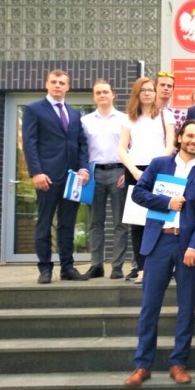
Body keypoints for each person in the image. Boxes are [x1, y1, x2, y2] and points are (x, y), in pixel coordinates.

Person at [123, 119, 195, 387]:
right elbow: (138, 194)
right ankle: (142, 364)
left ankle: (178, 362)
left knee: (186, 307)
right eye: (190, 136)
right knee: (149, 306)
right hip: (159, 243)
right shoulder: (159, 164)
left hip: (187, 246)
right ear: (180, 137)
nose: (194, 141)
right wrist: (167, 202)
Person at [22, 69, 90, 284]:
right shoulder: (34, 110)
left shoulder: (75, 113)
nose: (58, 85)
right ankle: (45, 269)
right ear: (47, 84)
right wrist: (36, 172)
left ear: (68, 87)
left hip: (72, 179)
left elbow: (82, 143)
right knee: (44, 223)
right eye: (54, 82)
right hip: (47, 178)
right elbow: (29, 143)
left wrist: (84, 168)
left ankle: (67, 268)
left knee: (67, 224)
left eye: (62, 83)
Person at [118, 76, 176, 283]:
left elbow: (170, 145)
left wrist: (155, 167)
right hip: (135, 171)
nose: (148, 93)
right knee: (137, 223)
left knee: (160, 219)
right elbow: (121, 149)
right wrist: (133, 170)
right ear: (137, 93)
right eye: (143, 90)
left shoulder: (166, 116)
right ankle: (142, 268)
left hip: (159, 170)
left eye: (151, 89)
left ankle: (161, 267)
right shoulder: (128, 118)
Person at [81, 80, 129, 280]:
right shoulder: (85, 121)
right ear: (94, 97)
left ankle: (117, 266)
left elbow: (131, 147)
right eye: (98, 92)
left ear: (113, 94)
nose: (102, 95)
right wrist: (83, 170)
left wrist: (127, 172)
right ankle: (96, 265)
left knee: (120, 222)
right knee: (95, 222)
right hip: (94, 173)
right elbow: (82, 148)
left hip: (118, 171)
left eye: (105, 92)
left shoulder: (125, 119)